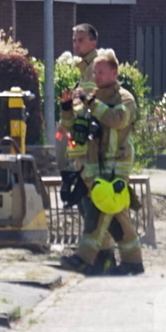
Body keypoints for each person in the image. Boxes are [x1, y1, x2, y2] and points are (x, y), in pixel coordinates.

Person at [58, 51, 145, 276]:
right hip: (94, 165)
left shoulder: (124, 98)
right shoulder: (91, 98)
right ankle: (131, 262)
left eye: (101, 72)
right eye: (95, 72)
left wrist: (92, 102)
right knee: (116, 213)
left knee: (103, 208)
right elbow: (73, 127)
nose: (96, 76)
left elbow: (118, 120)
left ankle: (85, 258)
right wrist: (67, 109)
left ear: (114, 73)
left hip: (116, 165)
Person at [58, 23, 117, 274]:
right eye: (74, 40)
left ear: (93, 43)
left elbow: (91, 106)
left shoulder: (95, 69)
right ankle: (102, 259)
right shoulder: (85, 70)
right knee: (88, 206)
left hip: (93, 152)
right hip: (83, 152)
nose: (76, 44)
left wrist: (72, 113)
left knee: (92, 207)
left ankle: (97, 258)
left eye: (81, 40)